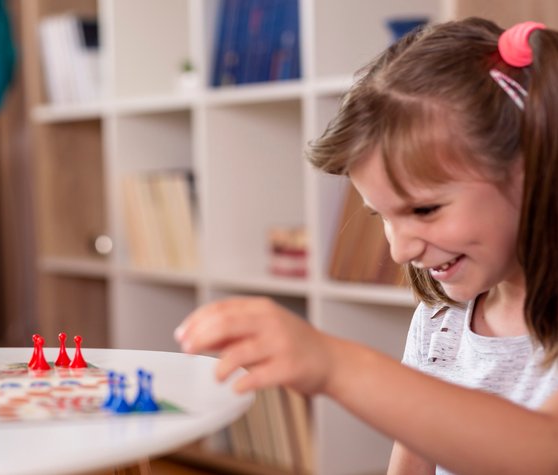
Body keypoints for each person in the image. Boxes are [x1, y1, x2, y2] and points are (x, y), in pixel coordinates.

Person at [174, 17, 558, 475]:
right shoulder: (442, 321)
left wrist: (336, 366)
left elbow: (541, 450)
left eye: (424, 210)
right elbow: (413, 456)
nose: (399, 251)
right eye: (382, 216)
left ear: (533, 170)